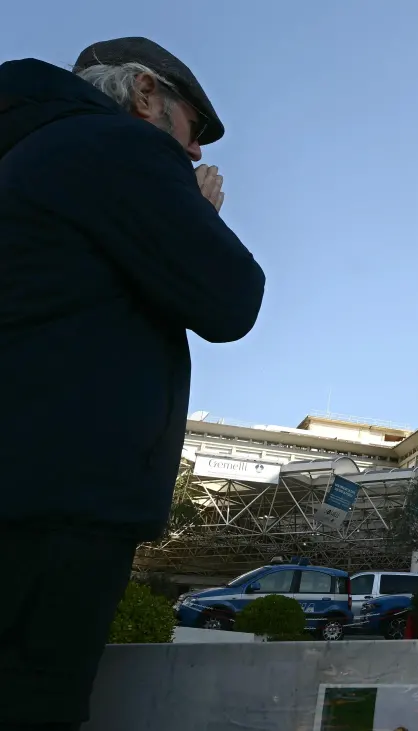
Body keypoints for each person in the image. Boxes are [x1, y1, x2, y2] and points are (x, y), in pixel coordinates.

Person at [0, 37, 264, 730]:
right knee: (36, 699)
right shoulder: (118, 147)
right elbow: (231, 297)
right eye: (194, 128)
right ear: (146, 94)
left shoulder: (27, 152)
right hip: (56, 499)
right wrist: (197, 212)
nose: (198, 151)